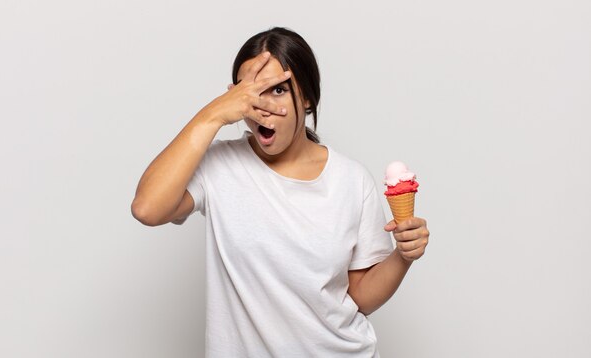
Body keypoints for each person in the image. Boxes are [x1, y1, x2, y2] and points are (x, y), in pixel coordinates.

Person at [131, 27, 430, 358]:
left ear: (306, 97)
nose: (263, 106)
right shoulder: (220, 166)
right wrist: (213, 114)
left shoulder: (351, 180)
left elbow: (359, 295)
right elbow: (148, 208)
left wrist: (403, 255)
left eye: (277, 90)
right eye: (249, 92)